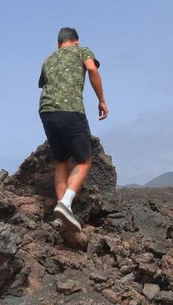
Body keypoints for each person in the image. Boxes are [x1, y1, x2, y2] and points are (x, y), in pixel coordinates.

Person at [38, 27, 108, 231]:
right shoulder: (82, 51)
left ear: (58, 44)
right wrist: (102, 100)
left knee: (61, 161)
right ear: (76, 41)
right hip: (70, 110)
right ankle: (66, 204)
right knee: (84, 161)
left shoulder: (49, 59)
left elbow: (43, 83)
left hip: (46, 111)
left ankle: (61, 218)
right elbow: (92, 69)